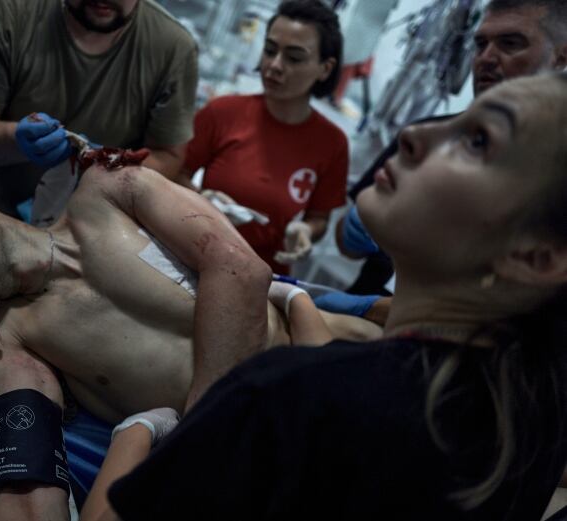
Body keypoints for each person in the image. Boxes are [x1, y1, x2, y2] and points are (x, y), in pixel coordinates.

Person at [88, 72, 567, 521]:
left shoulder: (285, 400)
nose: (412, 134)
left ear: (536, 257)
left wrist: (135, 433)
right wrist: (300, 303)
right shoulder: (532, 422)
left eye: (478, 140)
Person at [0, 159, 379, 520]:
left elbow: (240, 268)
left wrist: (205, 435)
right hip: (281, 461)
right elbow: (27, 476)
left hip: (357, 363)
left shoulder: (109, 188)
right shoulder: (0, 339)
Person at [336, 0, 567, 296]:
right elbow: (347, 243)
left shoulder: (553, 183)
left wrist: (379, 315)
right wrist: (361, 226)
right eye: (480, 44)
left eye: (510, 44)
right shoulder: (426, 135)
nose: (486, 57)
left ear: (561, 56)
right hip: (361, 317)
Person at [0, 0, 198, 217]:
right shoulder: (9, 11)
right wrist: (14, 140)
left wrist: (109, 166)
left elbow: (168, 156)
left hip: (93, 228)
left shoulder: (173, 50)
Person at [179, 0, 348, 274]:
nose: (275, 65)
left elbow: (319, 218)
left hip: (265, 278)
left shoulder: (332, 143)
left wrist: (304, 229)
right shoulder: (223, 112)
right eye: (270, 51)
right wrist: (200, 198)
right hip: (198, 259)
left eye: (294, 58)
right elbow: (176, 172)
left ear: (325, 68)